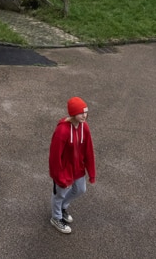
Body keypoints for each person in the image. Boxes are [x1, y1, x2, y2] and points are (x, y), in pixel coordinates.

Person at [48, 96, 96, 234]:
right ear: (73, 113)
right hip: (64, 170)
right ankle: (56, 217)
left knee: (80, 189)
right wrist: (58, 176)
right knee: (60, 194)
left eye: (86, 112)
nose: (84, 116)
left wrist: (91, 172)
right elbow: (54, 156)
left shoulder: (84, 127)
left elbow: (89, 151)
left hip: (78, 168)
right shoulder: (62, 131)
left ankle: (62, 208)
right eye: (81, 113)